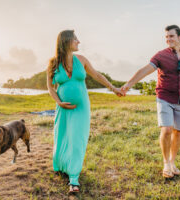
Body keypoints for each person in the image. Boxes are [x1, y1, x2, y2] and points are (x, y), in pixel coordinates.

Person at [121, 25, 180, 178]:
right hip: (165, 97)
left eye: (171, 36)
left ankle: (173, 161)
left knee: (177, 131)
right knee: (166, 129)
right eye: (166, 37)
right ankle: (166, 162)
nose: (168, 39)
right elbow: (144, 70)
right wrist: (128, 84)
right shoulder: (160, 56)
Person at [47, 30, 123, 193]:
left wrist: (113, 88)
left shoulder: (81, 60)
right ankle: (61, 165)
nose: (78, 42)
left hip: (81, 108)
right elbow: (50, 88)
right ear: (66, 41)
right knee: (61, 136)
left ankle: (73, 178)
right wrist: (59, 102)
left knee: (77, 139)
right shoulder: (53, 63)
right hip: (63, 108)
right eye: (75, 39)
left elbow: (97, 75)